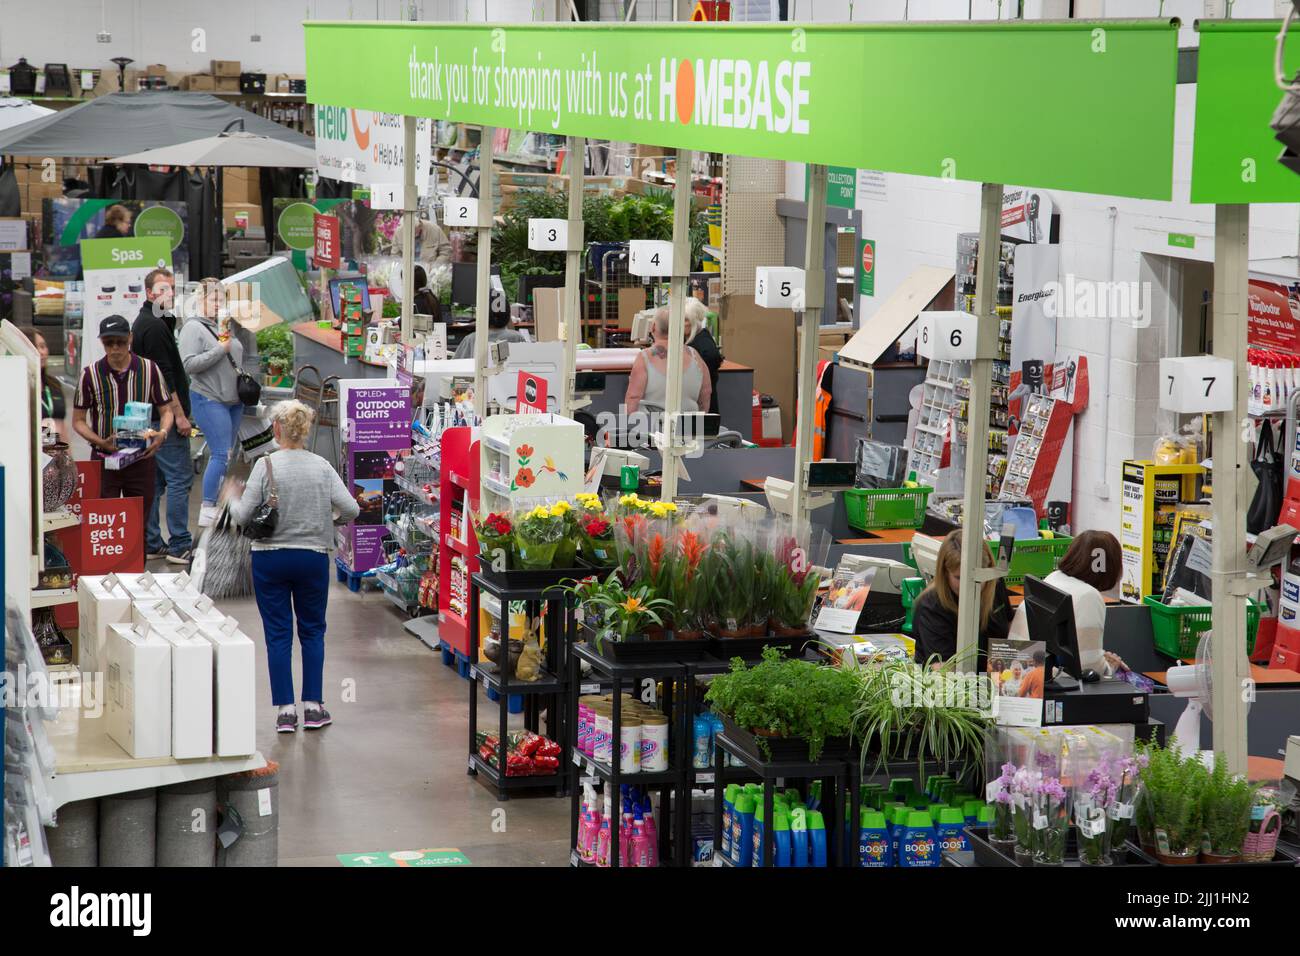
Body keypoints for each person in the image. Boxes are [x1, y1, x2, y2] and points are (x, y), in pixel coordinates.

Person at [227, 400, 360, 733]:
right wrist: (331, 521)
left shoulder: (265, 465)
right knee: (313, 631)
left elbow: (243, 517)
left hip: (269, 559)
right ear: (306, 430)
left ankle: (286, 711)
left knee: (277, 634)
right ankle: (313, 707)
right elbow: (351, 509)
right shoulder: (322, 467)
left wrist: (231, 497)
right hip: (312, 558)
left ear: (276, 430)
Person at [72, 316, 171, 515]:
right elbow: (78, 421)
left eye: (121, 341)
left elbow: (166, 410)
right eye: (109, 343)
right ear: (102, 342)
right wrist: (100, 441)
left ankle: (141, 546)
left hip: (140, 459)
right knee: (103, 521)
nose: (115, 348)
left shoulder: (149, 369)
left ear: (130, 338)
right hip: (103, 459)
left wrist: (162, 434)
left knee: (139, 521)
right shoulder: (90, 375)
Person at [131, 267, 194, 564]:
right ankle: (180, 543)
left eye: (172, 288)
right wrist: (179, 416)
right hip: (162, 417)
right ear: (149, 293)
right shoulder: (154, 327)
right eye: (163, 289)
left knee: (155, 482)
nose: (170, 294)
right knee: (180, 478)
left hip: (149, 416)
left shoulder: (155, 321)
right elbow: (164, 378)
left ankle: (152, 541)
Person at [1008, 530, 1128, 677]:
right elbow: (1088, 668)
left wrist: (1101, 657)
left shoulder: (1053, 578)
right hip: (1049, 682)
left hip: (1022, 675)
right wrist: (1110, 666)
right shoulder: (1088, 596)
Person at [179, 277, 246, 529]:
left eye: (222, 298)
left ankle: (217, 502)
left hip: (233, 401)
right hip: (209, 399)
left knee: (227, 455)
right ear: (200, 299)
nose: (219, 303)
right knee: (219, 453)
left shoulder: (223, 326)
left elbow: (234, 355)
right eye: (213, 298)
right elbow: (189, 365)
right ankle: (207, 507)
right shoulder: (193, 328)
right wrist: (221, 349)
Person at [912, 529, 1013, 668]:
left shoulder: (995, 584)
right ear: (945, 573)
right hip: (954, 685)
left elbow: (1010, 628)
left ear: (989, 568)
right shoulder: (931, 606)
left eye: (977, 578)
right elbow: (941, 670)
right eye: (959, 578)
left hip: (996, 681)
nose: (967, 585)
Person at [625, 307, 712, 418]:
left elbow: (633, 397)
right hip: (689, 428)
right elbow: (705, 394)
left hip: (651, 428)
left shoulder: (644, 357)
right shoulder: (695, 356)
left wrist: (632, 427)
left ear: (653, 327)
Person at [21, 328, 68, 443]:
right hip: (30, 453)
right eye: (36, 347)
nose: (41, 352)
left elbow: (62, 427)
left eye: (43, 346)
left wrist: (69, 459)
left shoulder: (54, 385)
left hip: (56, 453)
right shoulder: (18, 387)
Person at [453, 288, 524, 360]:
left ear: (481, 313)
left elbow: (455, 366)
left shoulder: (471, 339)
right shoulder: (518, 337)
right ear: (507, 313)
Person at [684, 297, 722, 415]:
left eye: (685, 319)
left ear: (694, 322)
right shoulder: (692, 339)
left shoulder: (704, 345)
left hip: (702, 410)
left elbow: (712, 359)